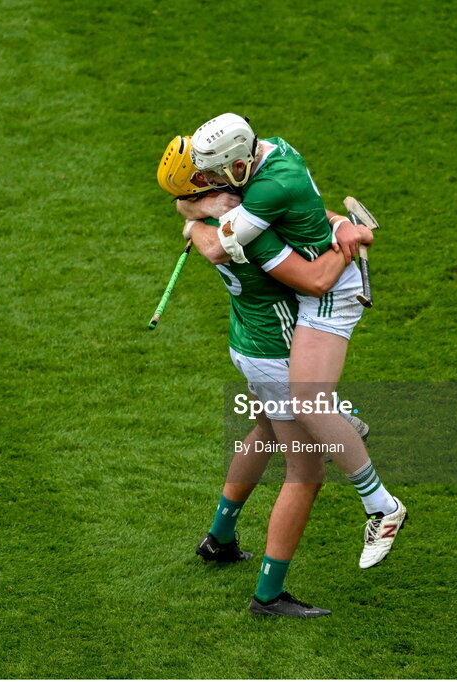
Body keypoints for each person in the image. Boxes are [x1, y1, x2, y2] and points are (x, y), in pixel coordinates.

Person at [176, 115, 407, 569]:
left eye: (218, 176)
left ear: (241, 165)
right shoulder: (275, 152)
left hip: (310, 305)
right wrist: (343, 225)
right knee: (280, 423)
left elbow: (230, 250)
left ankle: (381, 505)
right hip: (275, 331)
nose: (216, 185)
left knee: (307, 405)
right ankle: (344, 431)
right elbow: (302, 211)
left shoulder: (260, 211)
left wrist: (193, 215)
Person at [158, 136, 374, 616]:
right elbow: (316, 278)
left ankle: (219, 538)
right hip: (277, 354)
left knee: (262, 430)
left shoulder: (209, 224)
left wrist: (194, 215)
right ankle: (268, 595)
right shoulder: (248, 230)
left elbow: (213, 220)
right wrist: (350, 237)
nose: (217, 176)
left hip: (247, 344)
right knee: (307, 471)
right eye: (208, 175)